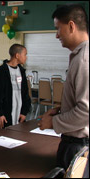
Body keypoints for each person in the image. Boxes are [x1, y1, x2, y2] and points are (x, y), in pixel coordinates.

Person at [38, 4, 89, 171]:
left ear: (72, 26)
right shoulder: (79, 56)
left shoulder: (84, 60)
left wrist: (53, 122)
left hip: (78, 145)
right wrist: (63, 110)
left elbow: (86, 111)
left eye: (58, 28)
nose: (56, 35)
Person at [0, 44, 31, 130]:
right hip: (5, 116)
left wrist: (24, 112)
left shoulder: (22, 71)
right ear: (17, 55)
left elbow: (25, 93)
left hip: (19, 115)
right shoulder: (1, 71)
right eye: (25, 54)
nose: (26, 57)